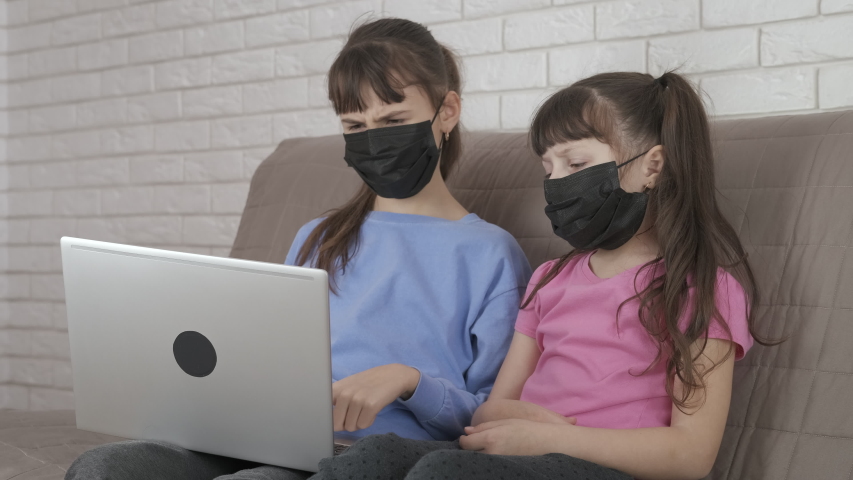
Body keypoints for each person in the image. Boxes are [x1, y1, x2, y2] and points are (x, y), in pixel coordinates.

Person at [65, 18, 530, 480]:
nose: (374, 139)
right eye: (355, 124)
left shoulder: (490, 254)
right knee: (103, 467)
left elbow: (490, 417)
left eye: (393, 121)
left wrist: (410, 381)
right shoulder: (319, 236)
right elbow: (271, 355)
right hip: (274, 437)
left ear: (447, 111)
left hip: (373, 455)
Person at [308, 71, 778, 480]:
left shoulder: (703, 289)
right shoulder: (550, 279)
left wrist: (555, 439)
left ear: (652, 166)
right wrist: (521, 424)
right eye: (548, 168)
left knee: (442, 471)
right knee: (375, 455)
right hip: (520, 452)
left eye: (575, 164)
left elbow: (692, 455)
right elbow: (492, 408)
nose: (557, 182)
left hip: (607, 468)